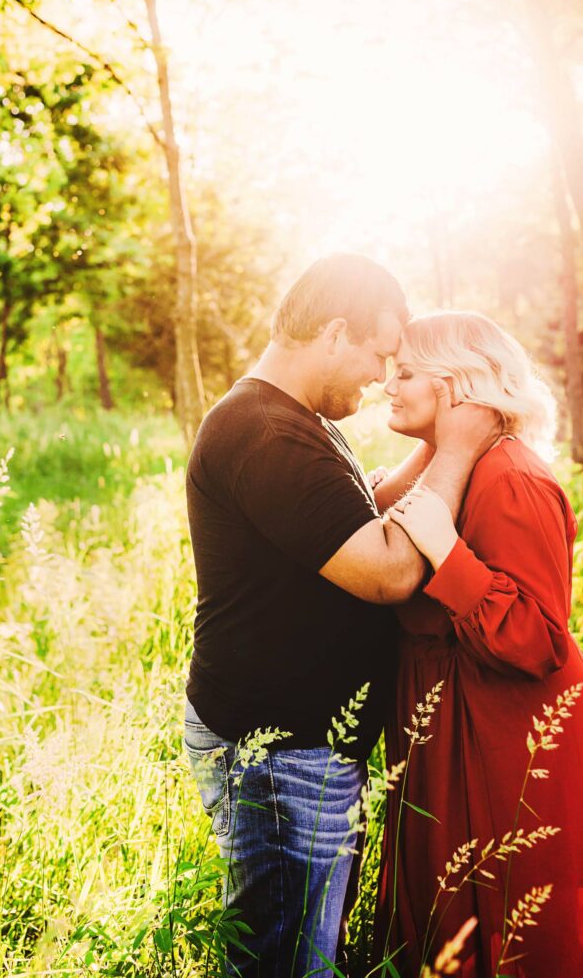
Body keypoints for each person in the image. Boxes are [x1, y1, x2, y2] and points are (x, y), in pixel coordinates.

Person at [184, 255, 498, 978]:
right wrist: (453, 450)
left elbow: (365, 510)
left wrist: (434, 441)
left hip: (300, 746)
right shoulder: (263, 431)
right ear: (333, 333)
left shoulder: (295, 421)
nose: (384, 375)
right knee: (287, 960)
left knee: (299, 943)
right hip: (276, 749)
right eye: (379, 353)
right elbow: (388, 571)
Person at [373, 311, 583, 977]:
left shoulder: (510, 477)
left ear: (456, 387)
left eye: (405, 373)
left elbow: (537, 637)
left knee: (495, 921)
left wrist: (446, 552)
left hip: (496, 733)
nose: (387, 384)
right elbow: (380, 510)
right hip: (448, 715)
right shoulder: (454, 464)